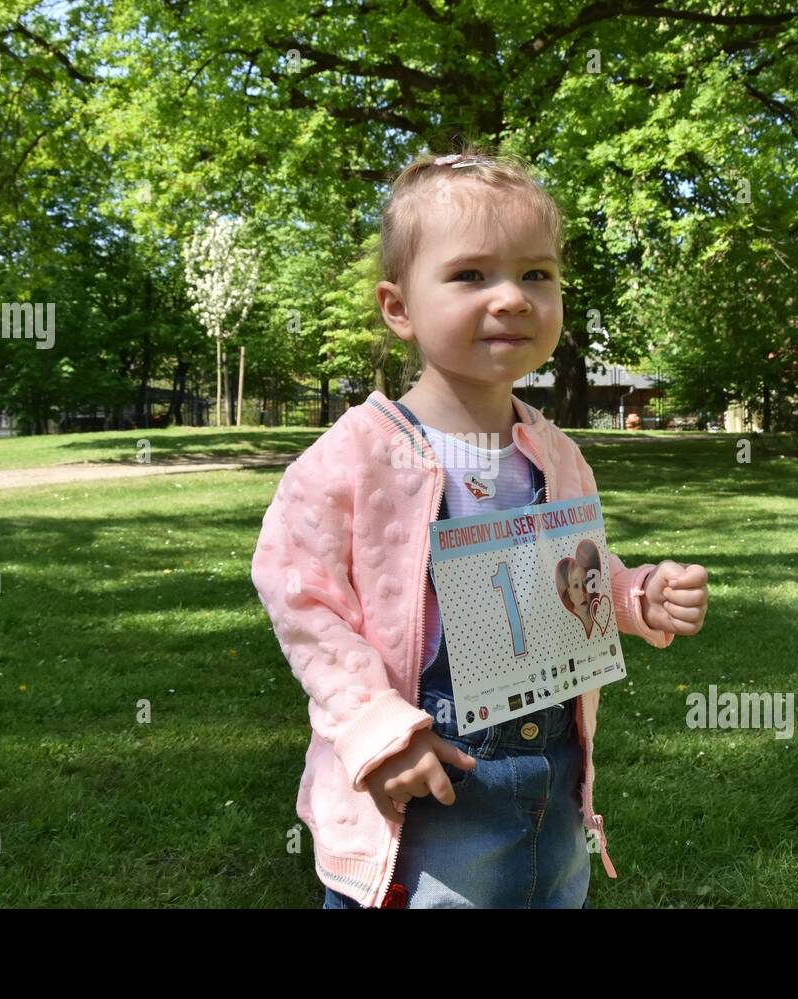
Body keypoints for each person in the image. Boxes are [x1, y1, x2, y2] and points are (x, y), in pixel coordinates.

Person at [250, 145, 709, 909]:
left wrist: (633, 595)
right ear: (398, 308)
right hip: (430, 782)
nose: (513, 298)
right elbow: (303, 598)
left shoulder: (553, 451)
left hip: (551, 777)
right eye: (471, 275)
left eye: (537, 274)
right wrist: (378, 732)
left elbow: (570, 571)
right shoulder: (356, 457)